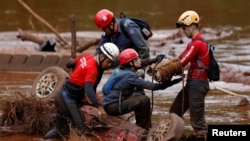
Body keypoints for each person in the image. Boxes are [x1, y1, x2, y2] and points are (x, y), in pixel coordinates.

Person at [44, 42, 120, 139]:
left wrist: (74, 67)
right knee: (81, 130)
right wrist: (99, 107)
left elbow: (70, 63)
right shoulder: (93, 69)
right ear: (102, 56)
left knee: (59, 131)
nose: (108, 64)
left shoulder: (87, 57)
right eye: (108, 62)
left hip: (62, 94)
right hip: (68, 100)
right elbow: (88, 89)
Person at [102, 48, 183, 131]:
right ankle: (143, 129)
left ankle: (139, 124)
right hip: (113, 107)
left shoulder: (122, 69)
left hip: (108, 103)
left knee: (139, 95)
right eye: (136, 59)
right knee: (144, 100)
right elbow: (154, 87)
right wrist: (173, 82)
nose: (139, 60)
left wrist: (153, 60)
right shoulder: (130, 77)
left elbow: (141, 63)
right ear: (130, 63)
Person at [169, 10, 210, 140]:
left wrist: (167, 70)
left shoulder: (197, 44)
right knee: (174, 112)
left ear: (192, 26)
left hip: (198, 85)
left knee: (198, 124)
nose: (183, 31)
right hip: (191, 84)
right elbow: (178, 59)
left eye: (184, 27)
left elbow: (182, 62)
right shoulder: (191, 43)